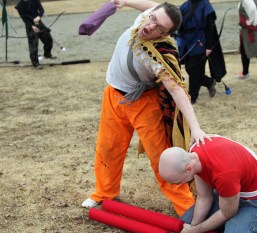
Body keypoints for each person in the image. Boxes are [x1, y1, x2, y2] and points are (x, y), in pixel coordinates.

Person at [81, 0, 211, 217]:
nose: (151, 27)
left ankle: (187, 208)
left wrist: (195, 128)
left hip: (143, 104)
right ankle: (104, 193)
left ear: (164, 35)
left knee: (161, 157)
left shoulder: (158, 54)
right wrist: (125, 2)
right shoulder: (148, 17)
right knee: (108, 148)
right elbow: (152, 7)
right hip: (113, 96)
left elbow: (177, 89)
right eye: (153, 20)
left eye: (160, 29)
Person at [159, 135, 257, 233]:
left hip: (255, 201)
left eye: (177, 181)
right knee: (184, 224)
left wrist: (196, 230)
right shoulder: (193, 154)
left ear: (188, 169)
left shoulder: (224, 173)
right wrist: (193, 227)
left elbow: (228, 212)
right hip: (227, 194)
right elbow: (204, 197)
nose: (178, 185)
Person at [176, 0, 226, 104]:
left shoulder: (205, 5)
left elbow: (210, 27)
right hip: (187, 41)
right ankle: (209, 82)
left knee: (195, 70)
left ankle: (192, 97)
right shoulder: (186, 5)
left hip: (200, 41)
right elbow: (177, 21)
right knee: (190, 69)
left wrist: (209, 46)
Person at [15, 0, 56, 69]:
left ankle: (47, 54)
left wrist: (39, 16)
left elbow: (41, 10)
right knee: (33, 44)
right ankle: (35, 63)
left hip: (38, 22)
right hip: (30, 25)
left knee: (48, 38)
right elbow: (24, 18)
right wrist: (32, 26)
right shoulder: (20, 6)